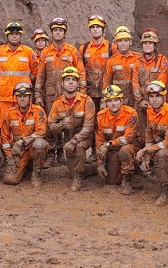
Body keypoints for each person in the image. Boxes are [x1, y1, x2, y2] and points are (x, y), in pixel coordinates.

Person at [35, 17, 87, 160]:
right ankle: (52, 152)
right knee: (51, 124)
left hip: (69, 94)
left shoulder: (72, 51)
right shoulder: (45, 52)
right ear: (52, 33)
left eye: (60, 30)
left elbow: (81, 73)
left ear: (65, 33)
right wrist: (38, 96)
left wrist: (82, 93)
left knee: (70, 122)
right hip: (50, 94)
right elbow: (40, 76)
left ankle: (64, 152)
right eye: (55, 30)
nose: (58, 33)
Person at [47, 67, 96, 191]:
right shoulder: (57, 103)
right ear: (62, 83)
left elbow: (89, 127)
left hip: (84, 138)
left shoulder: (86, 101)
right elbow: (50, 125)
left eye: (73, 80)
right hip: (67, 139)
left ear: (78, 83)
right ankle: (91, 169)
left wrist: (74, 141)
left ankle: (78, 179)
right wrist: (61, 125)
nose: (70, 82)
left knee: (79, 148)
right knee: (72, 171)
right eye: (67, 79)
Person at [135, 81, 168, 206]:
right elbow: (149, 132)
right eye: (151, 96)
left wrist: (146, 150)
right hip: (162, 144)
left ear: (164, 97)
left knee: (162, 154)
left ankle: (167, 192)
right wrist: (147, 154)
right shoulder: (150, 110)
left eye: (157, 96)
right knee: (152, 158)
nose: (154, 100)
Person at [94, 85, 140, 194]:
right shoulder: (101, 116)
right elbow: (99, 141)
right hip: (113, 147)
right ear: (106, 103)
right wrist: (99, 162)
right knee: (112, 181)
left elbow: (129, 138)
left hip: (130, 144)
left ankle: (127, 180)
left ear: (121, 100)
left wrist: (108, 144)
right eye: (109, 101)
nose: (113, 104)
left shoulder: (131, 113)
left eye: (116, 100)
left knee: (125, 150)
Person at [0, 82, 48, 186]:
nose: (22, 99)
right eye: (19, 96)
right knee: (10, 180)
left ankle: (37, 174)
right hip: (17, 152)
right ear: (15, 98)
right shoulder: (9, 113)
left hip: (32, 148)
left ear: (30, 97)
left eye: (25, 96)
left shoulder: (38, 111)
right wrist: (9, 157)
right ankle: (26, 166)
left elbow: (41, 132)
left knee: (40, 143)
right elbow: (4, 137)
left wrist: (22, 141)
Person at [0, 22, 39, 115]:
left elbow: (36, 71)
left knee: (24, 121)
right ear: (7, 36)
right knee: (4, 122)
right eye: (11, 34)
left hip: (23, 95)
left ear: (20, 36)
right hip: (5, 96)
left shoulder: (28, 51)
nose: (14, 36)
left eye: (17, 34)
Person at [131, 28, 168, 137]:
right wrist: (140, 100)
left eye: (150, 43)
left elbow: (162, 82)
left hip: (157, 101)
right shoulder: (137, 62)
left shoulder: (162, 61)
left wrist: (153, 100)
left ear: (155, 45)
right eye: (145, 43)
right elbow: (135, 83)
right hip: (141, 102)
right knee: (141, 131)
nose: (147, 45)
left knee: (157, 131)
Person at [103, 26, 141, 109]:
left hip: (135, 101)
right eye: (120, 41)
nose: (123, 43)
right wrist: (105, 100)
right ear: (116, 43)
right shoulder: (111, 61)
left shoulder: (138, 58)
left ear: (130, 42)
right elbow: (106, 82)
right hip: (117, 101)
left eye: (126, 40)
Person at [82, 15, 112, 111]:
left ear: (103, 29)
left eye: (98, 27)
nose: (95, 30)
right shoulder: (84, 48)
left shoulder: (111, 47)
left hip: (106, 92)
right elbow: (81, 70)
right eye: (93, 27)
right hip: (89, 92)